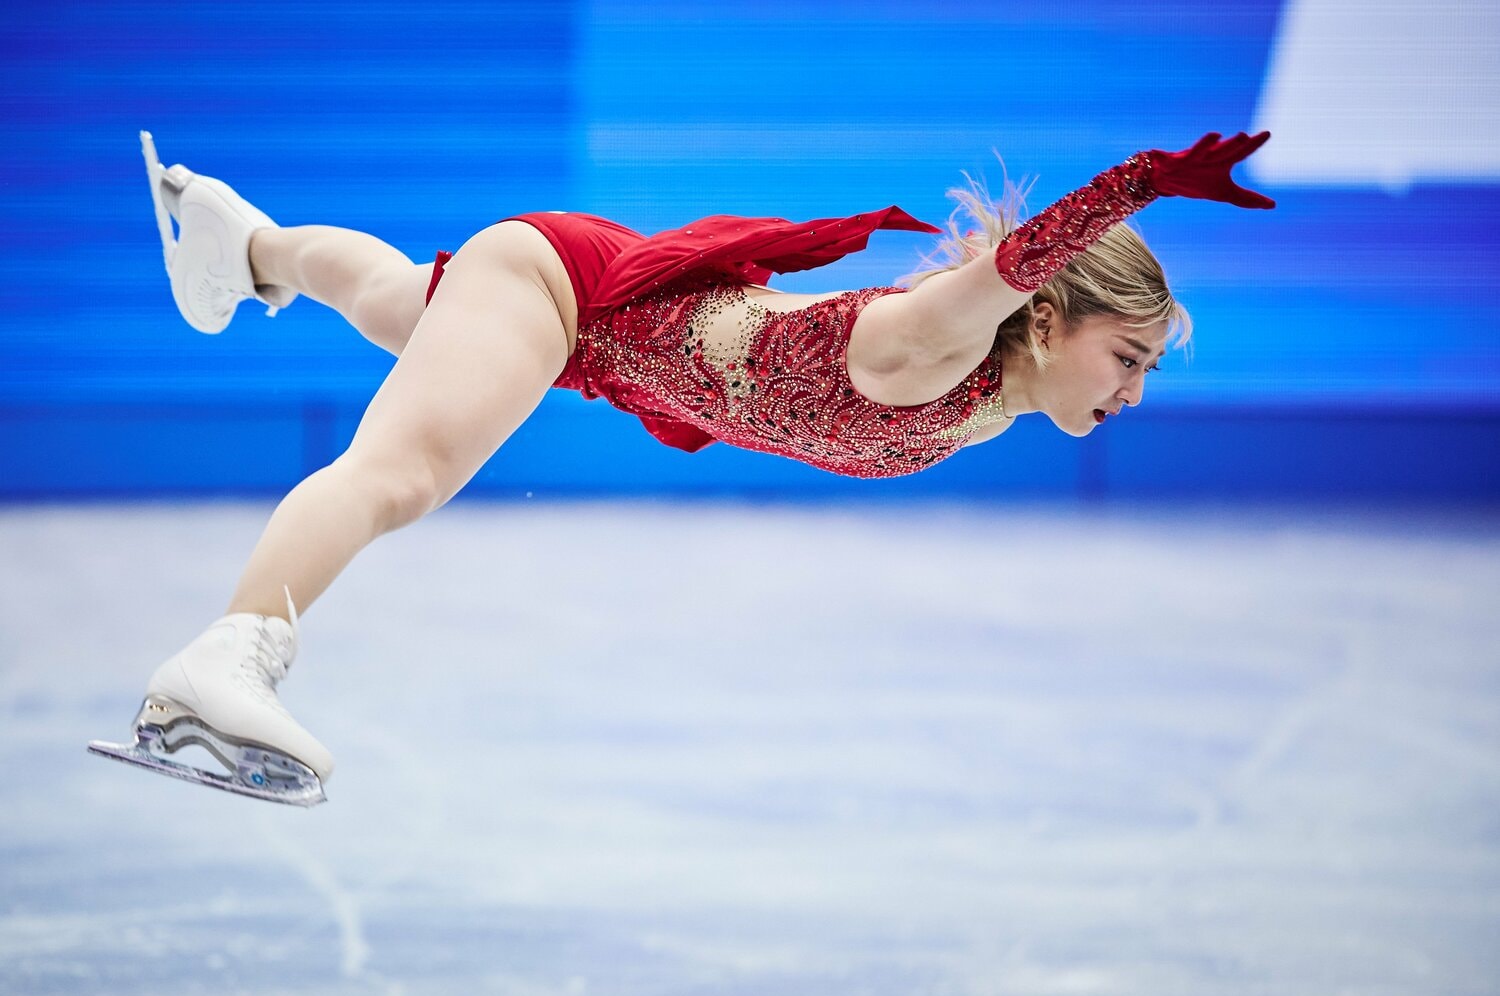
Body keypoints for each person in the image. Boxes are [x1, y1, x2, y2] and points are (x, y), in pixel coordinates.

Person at [89, 130, 1275, 805]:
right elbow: (1017, 258)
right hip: (565, 291)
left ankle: (240, 243)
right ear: (1051, 319)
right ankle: (227, 656)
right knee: (405, 474)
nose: (1130, 392)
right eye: (1126, 357)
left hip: (608, 345)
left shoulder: (995, 407)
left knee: (399, 297)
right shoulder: (946, 340)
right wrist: (1140, 185)